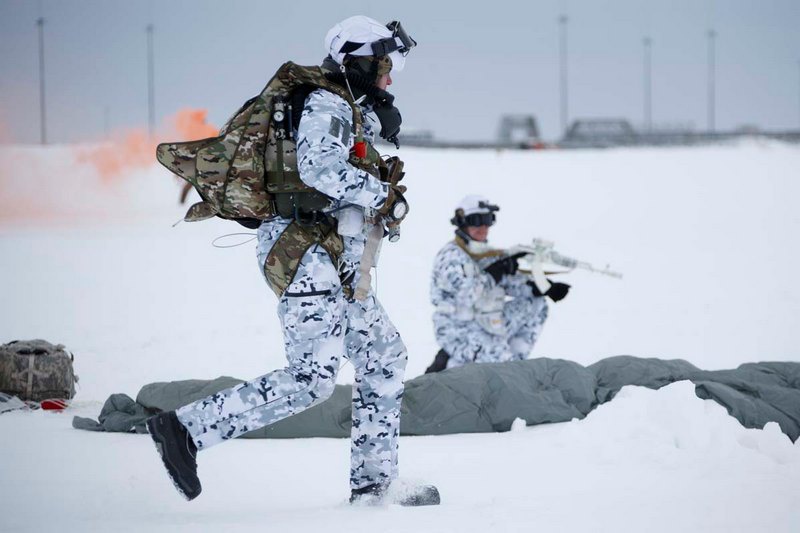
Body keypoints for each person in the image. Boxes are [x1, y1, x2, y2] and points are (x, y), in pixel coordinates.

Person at [146, 15, 439, 506]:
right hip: (303, 252)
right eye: (385, 65)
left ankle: (374, 486)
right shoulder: (324, 102)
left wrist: (378, 202)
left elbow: (335, 173)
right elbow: (319, 167)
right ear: (361, 61)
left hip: (335, 255)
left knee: (384, 358)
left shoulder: (343, 104)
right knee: (312, 380)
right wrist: (381, 194)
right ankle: (185, 429)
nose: (390, 78)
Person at [426, 195, 570, 372]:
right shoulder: (450, 257)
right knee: (502, 367)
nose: (483, 228)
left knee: (536, 305)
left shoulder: (483, 253)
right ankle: (452, 366)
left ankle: (509, 362)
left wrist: (540, 287)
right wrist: (495, 273)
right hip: (458, 329)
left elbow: (508, 282)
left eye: (487, 220)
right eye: (477, 221)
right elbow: (466, 296)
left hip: (487, 321)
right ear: (462, 222)